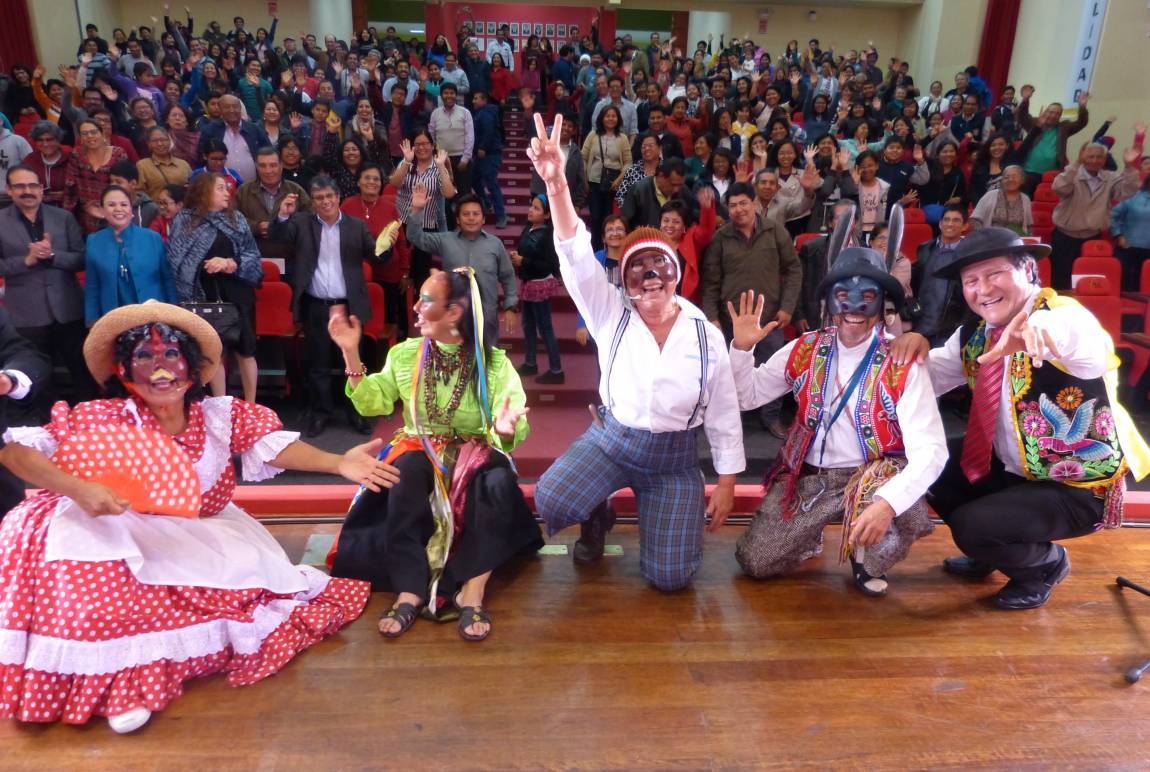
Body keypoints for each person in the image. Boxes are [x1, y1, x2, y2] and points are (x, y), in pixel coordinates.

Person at [0, 300, 394, 731]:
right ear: (123, 370)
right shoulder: (103, 418)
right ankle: (117, 684)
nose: (160, 368)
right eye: (144, 356)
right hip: (127, 533)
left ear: (191, 366)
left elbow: (276, 447)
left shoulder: (220, 416)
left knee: (236, 598)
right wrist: (79, 488)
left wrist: (339, 463)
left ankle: (140, 674)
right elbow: (15, 452)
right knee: (53, 530)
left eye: (171, 353)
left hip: (204, 534)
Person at [529, 113, 743, 588]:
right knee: (552, 498)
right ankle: (597, 511)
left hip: (674, 460)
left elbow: (725, 412)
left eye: (658, 265)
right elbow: (574, 253)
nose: (649, 276)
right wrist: (557, 186)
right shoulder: (609, 310)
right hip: (613, 442)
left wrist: (727, 482)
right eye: (636, 267)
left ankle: (660, 513)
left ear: (676, 272)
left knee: (671, 579)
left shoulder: (705, 334)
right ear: (623, 278)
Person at [891, 227, 1150, 610]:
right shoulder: (975, 333)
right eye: (971, 281)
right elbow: (927, 376)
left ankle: (1044, 566)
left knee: (972, 527)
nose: (982, 289)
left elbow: (1088, 348)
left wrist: (1040, 331)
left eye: (994, 274)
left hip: (1077, 487)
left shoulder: (1064, 316)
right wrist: (904, 344)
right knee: (932, 466)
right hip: (1013, 468)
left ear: (1028, 270)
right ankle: (995, 552)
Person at [729, 206, 945, 595]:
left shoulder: (900, 360)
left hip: (870, 477)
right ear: (829, 302)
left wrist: (887, 503)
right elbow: (747, 396)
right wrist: (742, 351)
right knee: (755, 562)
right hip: (811, 477)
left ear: (883, 304)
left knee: (883, 535)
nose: (854, 309)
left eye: (868, 297)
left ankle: (867, 555)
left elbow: (931, 450)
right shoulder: (804, 348)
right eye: (844, 296)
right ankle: (806, 535)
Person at [328, 268, 542, 640]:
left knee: (497, 482)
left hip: (474, 450)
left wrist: (507, 428)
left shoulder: (492, 363)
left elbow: (511, 418)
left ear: (454, 312)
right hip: (419, 445)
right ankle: (409, 588)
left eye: (426, 300)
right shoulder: (406, 354)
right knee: (404, 473)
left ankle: (472, 590)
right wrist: (350, 351)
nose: (415, 307)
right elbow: (373, 403)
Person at [270, 175, 380, 437]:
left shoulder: (356, 226)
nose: (325, 201)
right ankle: (321, 414)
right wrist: (283, 215)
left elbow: (378, 256)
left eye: (329, 196)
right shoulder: (301, 223)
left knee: (353, 363)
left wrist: (386, 244)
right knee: (318, 364)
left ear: (338, 197)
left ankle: (358, 412)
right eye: (319, 198)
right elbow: (277, 237)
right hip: (316, 306)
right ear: (313, 202)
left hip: (349, 306)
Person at [701, 182, 802, 438]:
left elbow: (793, 269)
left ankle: (771, 418)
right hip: (731, 323)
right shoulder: (721, 238)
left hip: (770, 319)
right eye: (732, 205)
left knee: (774, 372)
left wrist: (787, 307)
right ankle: (730, 420)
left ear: (754, 203)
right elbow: (710, 281)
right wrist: (711, 317)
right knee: (728, 374)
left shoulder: (774, 231)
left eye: (743, 203)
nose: (739, 209)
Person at [0, 166, 95, 411]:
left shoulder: (63, 217)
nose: (28, 191)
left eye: (33, 185)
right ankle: (46, 423)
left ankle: (89, 419)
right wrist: (26, 260)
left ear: (42, 189)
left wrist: (52, 256)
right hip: (26, 313)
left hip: (67, 308)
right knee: (39, 377)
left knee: (82, 371)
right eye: (20, 186)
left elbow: (81, 258)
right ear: (9, 190)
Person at [167, 173, 263, 403]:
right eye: (220, 188)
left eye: (227, 188)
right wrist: (203, 265)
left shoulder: (236, 219)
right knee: (213, 353)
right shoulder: (185, 220)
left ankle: (251, 404)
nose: (226, 193)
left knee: (246, 351)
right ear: (204, 191)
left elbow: (252, 255)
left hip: (237, 291)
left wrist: (229, 263)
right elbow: (176, 259)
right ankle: (220, 404)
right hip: (202, 292)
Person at [406, 188, 518, 345]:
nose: (471, 218)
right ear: (458, 219)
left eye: (476, 214)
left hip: (486, 315)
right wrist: (417, 210)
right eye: (466, 214)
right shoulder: (446, 240)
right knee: (452, 356)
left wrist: (510, 307)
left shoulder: (495, 244)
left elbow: (507, 277)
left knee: (486, 357)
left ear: (483, 219)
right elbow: (415, 237)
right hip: (453, 316)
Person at [1048, 142, 1141, 289]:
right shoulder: (1072, 173)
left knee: (1087, 281)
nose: (1095, 160)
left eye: (1099, 157)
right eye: (1090, 156)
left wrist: (1129, 167)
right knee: (1061, 282)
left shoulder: (1110, 177)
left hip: (1092, 237)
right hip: (1064, 237)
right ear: (1083, 157)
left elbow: (1127, 192)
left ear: (1105, 159)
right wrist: (1076, 163)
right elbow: (1059, 188)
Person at [84, 185, 176, 323]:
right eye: (111, 205)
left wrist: (174, 315)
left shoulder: (152, 238)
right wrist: (92, 322)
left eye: (124, 204)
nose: (118, 209)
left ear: (131, 209)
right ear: (102, 210)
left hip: (154, 317)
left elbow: (168, 279)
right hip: (113, 319)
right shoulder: (94, 241)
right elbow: (92, 286)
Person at [341, 163, 409, 341]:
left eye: (376, 179)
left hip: (387, 273)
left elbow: (401, 241)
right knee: (357, 324)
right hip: (356, 274)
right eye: (367, 178)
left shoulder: (390, 207)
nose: (372, 182)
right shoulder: (347, 206)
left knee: (385, 325)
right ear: (358, 182)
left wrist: (404, 271)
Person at [391, 131, 458, 292]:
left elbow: (449, 193)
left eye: (425, 144)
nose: (421, 148)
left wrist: (441, 166)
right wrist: (407, 161)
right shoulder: (406, 163)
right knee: (401, 269)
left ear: (432, 145)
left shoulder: (438, 166)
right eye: (418, 144)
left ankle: (421, 302)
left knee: (421, 271)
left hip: (426, 225)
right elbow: (394, 183)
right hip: (403, 222)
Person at [511, 193, 563, 384]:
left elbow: (550, 265)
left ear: (547, 215)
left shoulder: (548, 236)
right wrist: (518, 259)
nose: (531, 210)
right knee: (528, 324)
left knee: (545, 327)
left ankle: (556, 370)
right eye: (531, 206)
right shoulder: (528, 229)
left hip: (540, 284)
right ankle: (530, 362)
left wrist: (524, 261)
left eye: (536, 208)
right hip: (528, 282)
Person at [235, 146, 312, 267]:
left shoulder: (296, 190)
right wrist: (256, 227)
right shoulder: (243, 191)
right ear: (256, 167)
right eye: (262, 166)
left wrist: (279, 226)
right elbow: (232, 221)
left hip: (290, 260)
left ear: (281, 166)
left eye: (273, 165)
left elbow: (309, 221)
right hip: (252, 262)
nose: (268, 171)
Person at [1017, 87, 1089, 193]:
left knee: (1044, 200)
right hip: (1028, 171)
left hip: (1052, 175)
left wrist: (1082, 107)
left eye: (1057, 113)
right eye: (1051, 112)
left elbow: (1081, 123)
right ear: (1046, 112)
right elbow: (1022, 116)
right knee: (1025, 199)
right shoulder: (1035, 123)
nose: (1053, 115)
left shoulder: (1064, 128)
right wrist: (1025, 100)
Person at [63, 117, 129, 233]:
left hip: (113, 212)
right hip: (85, 215)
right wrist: (67, 215)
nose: (89, 136)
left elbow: (123, 185)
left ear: (102, 133)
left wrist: (106, 210)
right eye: (84, 133)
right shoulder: (77, 154)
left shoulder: (118, 154)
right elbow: (70, 186)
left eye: (93, 132)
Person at [582, 105, 630, 251]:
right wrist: (585, 178)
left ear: (618, 119)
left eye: (613, 116)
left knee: (609, 218)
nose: (610, 119)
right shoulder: (593, 135)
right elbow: (583, 157)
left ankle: (610, 249)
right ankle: (596, 250)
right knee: (596, 218)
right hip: (594, 182)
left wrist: (619, 179)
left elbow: (628, 162)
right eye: (607, 116)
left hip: (613, 184)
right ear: (601, 118)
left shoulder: (623, 138)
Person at [428, 82, 473, 229]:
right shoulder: (435, 113)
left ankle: (465, 225)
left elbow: (470, 136)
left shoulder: (465, 112)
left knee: (464, 195)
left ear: (456, 95)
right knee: (443, 196)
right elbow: (431, 136)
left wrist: (465, 158)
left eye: (452, 93)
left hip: (461, 159)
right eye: (446, 93)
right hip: (442, 161)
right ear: (441, 95)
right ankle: (449, 227)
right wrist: (435, 158)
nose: (449, 96)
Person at [620, 157, 689, 229]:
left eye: (680, 185)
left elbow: (691, 218)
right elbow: (626, 221)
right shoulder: (639, 190)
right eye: (673, 184)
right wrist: (639, 230)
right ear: (661, 176)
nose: (677, 190)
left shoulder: (683, 190)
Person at [1110, 174, 1150, 292]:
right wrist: (1118, 235)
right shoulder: (1132, 197)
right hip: (1128, 247)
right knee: (1126, 285)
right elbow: (1113, 216)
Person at [970, 165, 1033, 236]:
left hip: (1016, 240)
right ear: (1002, 180)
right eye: (1006, 177)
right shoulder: (990, 195)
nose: (1010, 179)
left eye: (1014, 176)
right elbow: (974, 220)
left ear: (1022, 180)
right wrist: (984, 236)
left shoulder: (1025, 199)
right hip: (991, 239)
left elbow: (1029, 226)